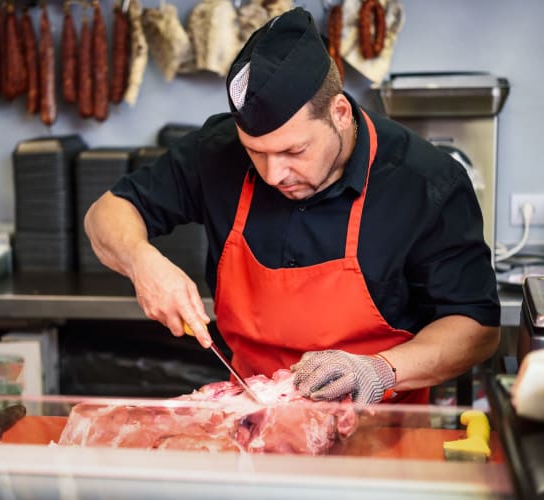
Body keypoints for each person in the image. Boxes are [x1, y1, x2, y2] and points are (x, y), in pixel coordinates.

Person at [84, 7, 500, 404]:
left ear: (339, 113)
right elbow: (107, 212)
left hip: (384, 431)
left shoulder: (424, 182)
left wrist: (378, 371)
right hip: (255, 423)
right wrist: (141, 262)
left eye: (293, 151)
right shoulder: (218, 152)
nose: (272, 174)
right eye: (256, 153)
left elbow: (477, 327)